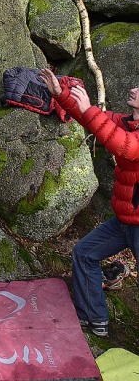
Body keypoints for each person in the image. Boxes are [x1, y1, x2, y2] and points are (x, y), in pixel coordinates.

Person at [39, 67, 139, 338]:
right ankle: (93, 318)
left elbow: (125, 146)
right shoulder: (130, 122)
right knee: (84, 254)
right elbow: (98, 122)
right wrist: (62, 95)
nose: (133, 89)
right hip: (125, 221)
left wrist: (90, 111)